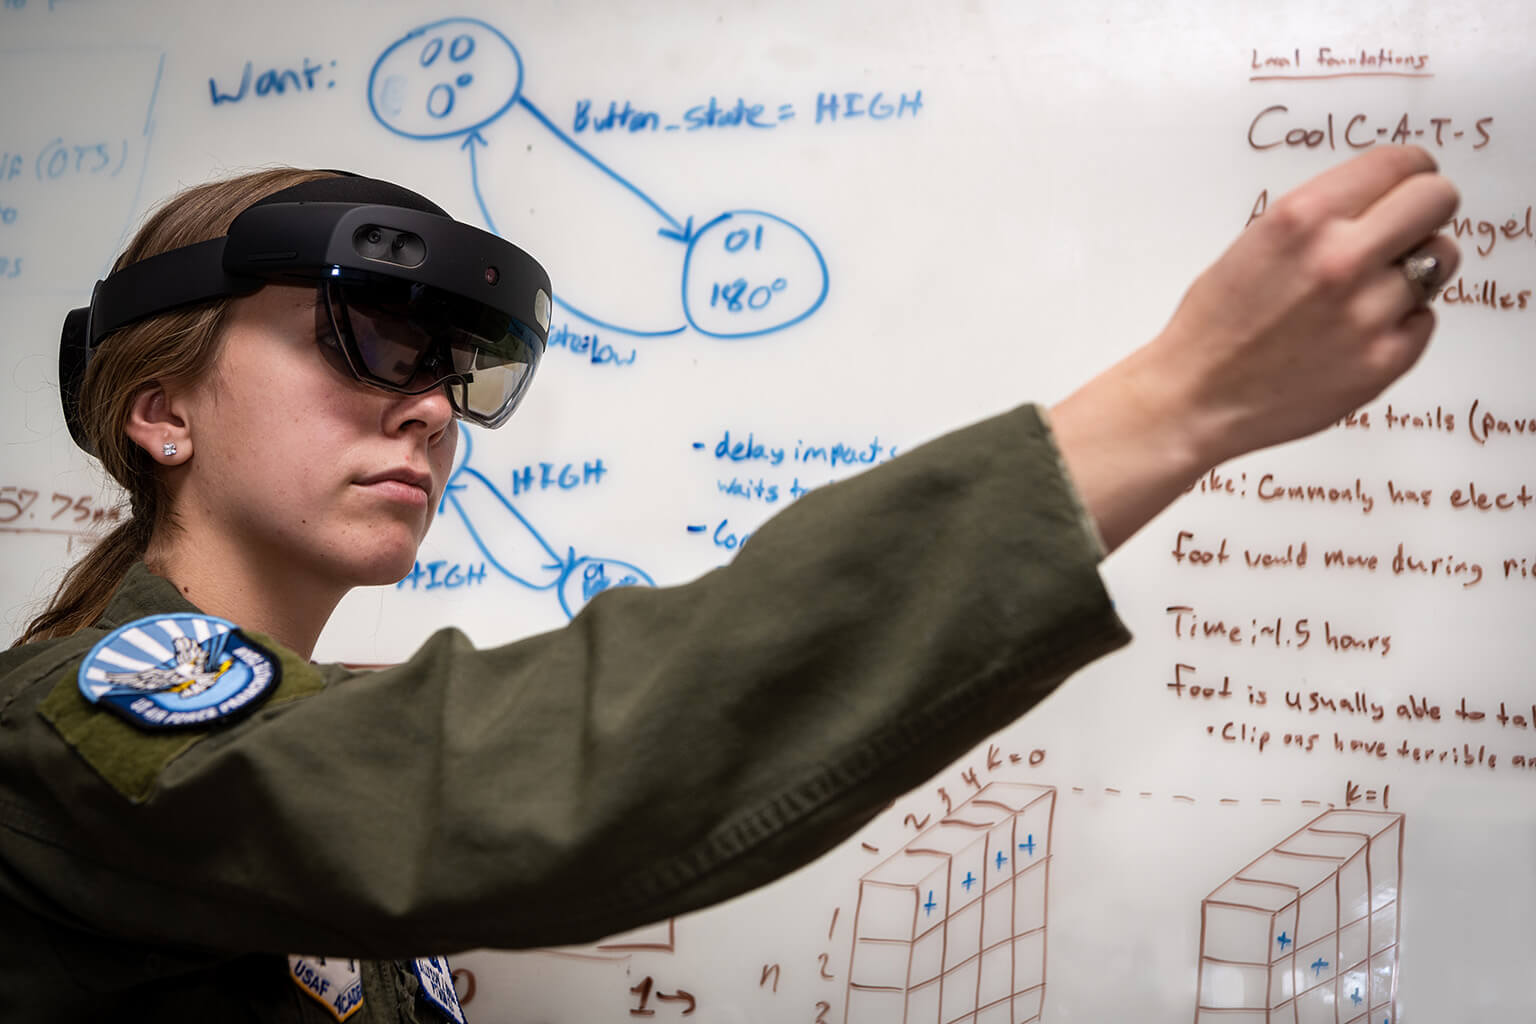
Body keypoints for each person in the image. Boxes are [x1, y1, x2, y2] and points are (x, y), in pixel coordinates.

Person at [0, 146, 1458, 1023]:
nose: (433, 406)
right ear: (161, 410)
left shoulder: (282, 739)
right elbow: (582, 756)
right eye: (371, 339)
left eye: (456, 365)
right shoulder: (81, 731)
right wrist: (1180, 403)